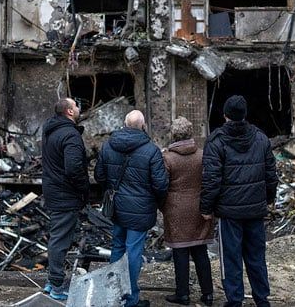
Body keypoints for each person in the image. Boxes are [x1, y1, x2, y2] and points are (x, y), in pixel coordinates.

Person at [200, 95, 278, 307]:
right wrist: (268, 198)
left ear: (225, 115)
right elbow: (271, 174)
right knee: (256, 257)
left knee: (231, 258)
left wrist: (206, 207)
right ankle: (262, 299)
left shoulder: (216, 141)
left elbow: (211, 179)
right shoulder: (260, 138)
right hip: (254, 210)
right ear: (244, 114)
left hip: (229, 213)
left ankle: (234, 300)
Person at [95, 110, 169, 307]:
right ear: (143, 126)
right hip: (141, 209)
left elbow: (99, 176)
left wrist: (112, 189)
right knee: (134, 251)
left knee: (117, 247)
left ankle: (114, 295)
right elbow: (161, 185)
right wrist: (155, 201)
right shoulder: (151, 150)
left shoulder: (108, 146)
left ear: (124, 123)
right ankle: (130, 299)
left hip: (117, 207)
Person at [161, 117, 214, 306]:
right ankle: (208, 293)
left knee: (180, 251)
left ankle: (182, 294)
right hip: (199, 207)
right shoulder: (202, 155)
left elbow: (162, 185)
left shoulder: (167, 158)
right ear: (191, 133)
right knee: (200, 250)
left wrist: (162, 206)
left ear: (173, 134)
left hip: (176, 209)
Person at [41, 98, 89, 301]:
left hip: (54, 191)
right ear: (69, 111)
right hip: (65, 194)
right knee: (60, 240)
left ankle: (52, 282)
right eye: (75, 106)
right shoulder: (70, 134)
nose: (78, 108)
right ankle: (57, 286)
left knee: (57, 237)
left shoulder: (50, 131)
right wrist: (84, 189)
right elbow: (73, 168)